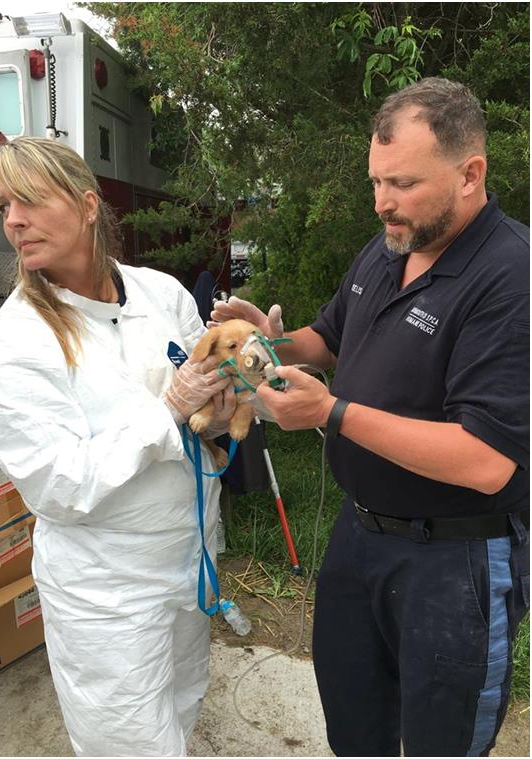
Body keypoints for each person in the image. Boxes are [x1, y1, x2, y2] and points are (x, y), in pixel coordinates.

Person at [210, 77, 529, 757]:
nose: (383, 202)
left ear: (470, 174)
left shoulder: (511, 274)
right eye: (376, 181)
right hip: (359, 537)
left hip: (454, 559)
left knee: (443, 743)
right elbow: (325, 339)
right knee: (355, 727)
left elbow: (486, 457)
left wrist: (331, 412)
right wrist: (266, 342)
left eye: (403, 183)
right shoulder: (388, 245)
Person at [0, 136, 237, 757]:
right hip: (107, 594)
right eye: (4, 205)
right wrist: (167, 408)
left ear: (88, 206)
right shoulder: (17, 346)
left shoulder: (161, 295)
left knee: (183, 706)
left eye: (31, 201)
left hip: (188, 557)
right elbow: (59, 486)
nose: (13, 220)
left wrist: (237, 382)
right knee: (128, 742)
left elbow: (208, 415)